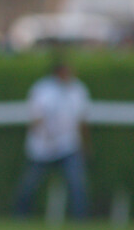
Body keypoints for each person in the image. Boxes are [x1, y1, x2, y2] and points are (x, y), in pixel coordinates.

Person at [14, 61, 91, 220]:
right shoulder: (42, 89)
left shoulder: (78, 90)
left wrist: (85, 145)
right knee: (29, 185)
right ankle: (19, 216)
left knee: (77, 184)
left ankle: (81, 220)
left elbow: (82, 121)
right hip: (42, 148)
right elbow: (36, 118)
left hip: (68, 146)